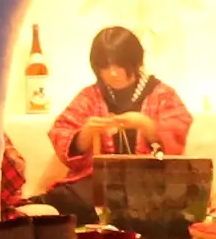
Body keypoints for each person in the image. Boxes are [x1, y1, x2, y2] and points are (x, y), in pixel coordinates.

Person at [42, 25, 194, 218]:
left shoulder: (161, 93)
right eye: (105, 66)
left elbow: (178, 128)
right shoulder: (90, 96)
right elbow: (62, 130)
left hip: (151, 181)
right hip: (102, 185)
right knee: (64, 197)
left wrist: (146, 125)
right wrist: (86, 134)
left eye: (119, 65)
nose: (113, 73)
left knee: (174, 200)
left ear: (135, 61)